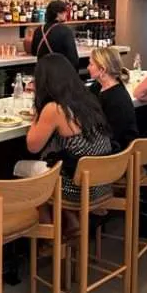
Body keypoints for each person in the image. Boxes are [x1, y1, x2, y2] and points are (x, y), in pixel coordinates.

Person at [26, 53, 116, 206]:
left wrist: (38, 106)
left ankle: (49, 219)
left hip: (77, 188)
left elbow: (32, 146)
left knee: (20, 167)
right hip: (103, 183)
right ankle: (68, 219)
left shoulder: (54, 108)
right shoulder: (87, 97)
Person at [87, 47, 139, 150]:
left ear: (102, 69)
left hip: (119, 151)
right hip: (105, 141)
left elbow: (114, 136)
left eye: (91, 64)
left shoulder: (117, 99)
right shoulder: (97, 86)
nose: (88, 67)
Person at [29, 0, 80, 70]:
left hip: (42, 73)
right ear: (58, 14)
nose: (66, 14)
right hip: (59, 73)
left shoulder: (38, 30)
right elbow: (74, 59)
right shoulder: (66, 31)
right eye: (65, 11)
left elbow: (34, 52)